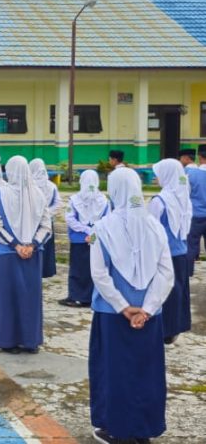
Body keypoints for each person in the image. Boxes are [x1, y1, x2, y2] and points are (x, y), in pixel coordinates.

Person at [88, 167, 174, 444]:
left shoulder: (102, 228)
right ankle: (143, 428)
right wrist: (147, 308)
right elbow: (166, 274)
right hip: (149, 317)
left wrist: (124, 307)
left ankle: (116, 428)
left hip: (112, 315)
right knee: (145, 371)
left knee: (114, 370)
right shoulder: (155, 227)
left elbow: (99, 275)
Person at [0, 156, 52, 354]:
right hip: (33, 255)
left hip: (7, 253)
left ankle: (8, 341)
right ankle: (30, 340)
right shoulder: (39, 195)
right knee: (30, 297)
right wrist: (32, 245)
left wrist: (16, 245)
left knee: (8, 298)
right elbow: (46, 227)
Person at [150, 159, 192, 345]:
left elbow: (150, 228)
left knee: (164, 290)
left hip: (163, 254)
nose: (156, 177)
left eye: (158, 173)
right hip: (181, 252)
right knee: (179, 290)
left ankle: (165, 328)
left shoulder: (160, 200)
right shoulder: (182, 197)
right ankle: (176, 326)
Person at [59, 170, 110, 308]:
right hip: (96, 239)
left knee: (78, 268)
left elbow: (70, 219)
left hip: (79, 239)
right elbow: (107, 220)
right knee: (95, 268)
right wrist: (93, 233)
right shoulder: (104, 200)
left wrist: (85, 231)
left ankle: (76, 296)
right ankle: (92, 297)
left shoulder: (74, 200)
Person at [29, 158, 61, 278]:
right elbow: (58, 203)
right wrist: (47, 215)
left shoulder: (29, 185)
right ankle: (46, 269)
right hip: (48, 222)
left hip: (31, 222)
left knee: (33, 244)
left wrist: (37, 215)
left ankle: (33, 268)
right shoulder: (51, 186)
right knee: (46, 244)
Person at [185, 147, 206, 276]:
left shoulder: (191, 175)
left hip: (196, 216)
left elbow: (185, 195)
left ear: (199, 157)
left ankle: (188, 273)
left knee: (191, 246)